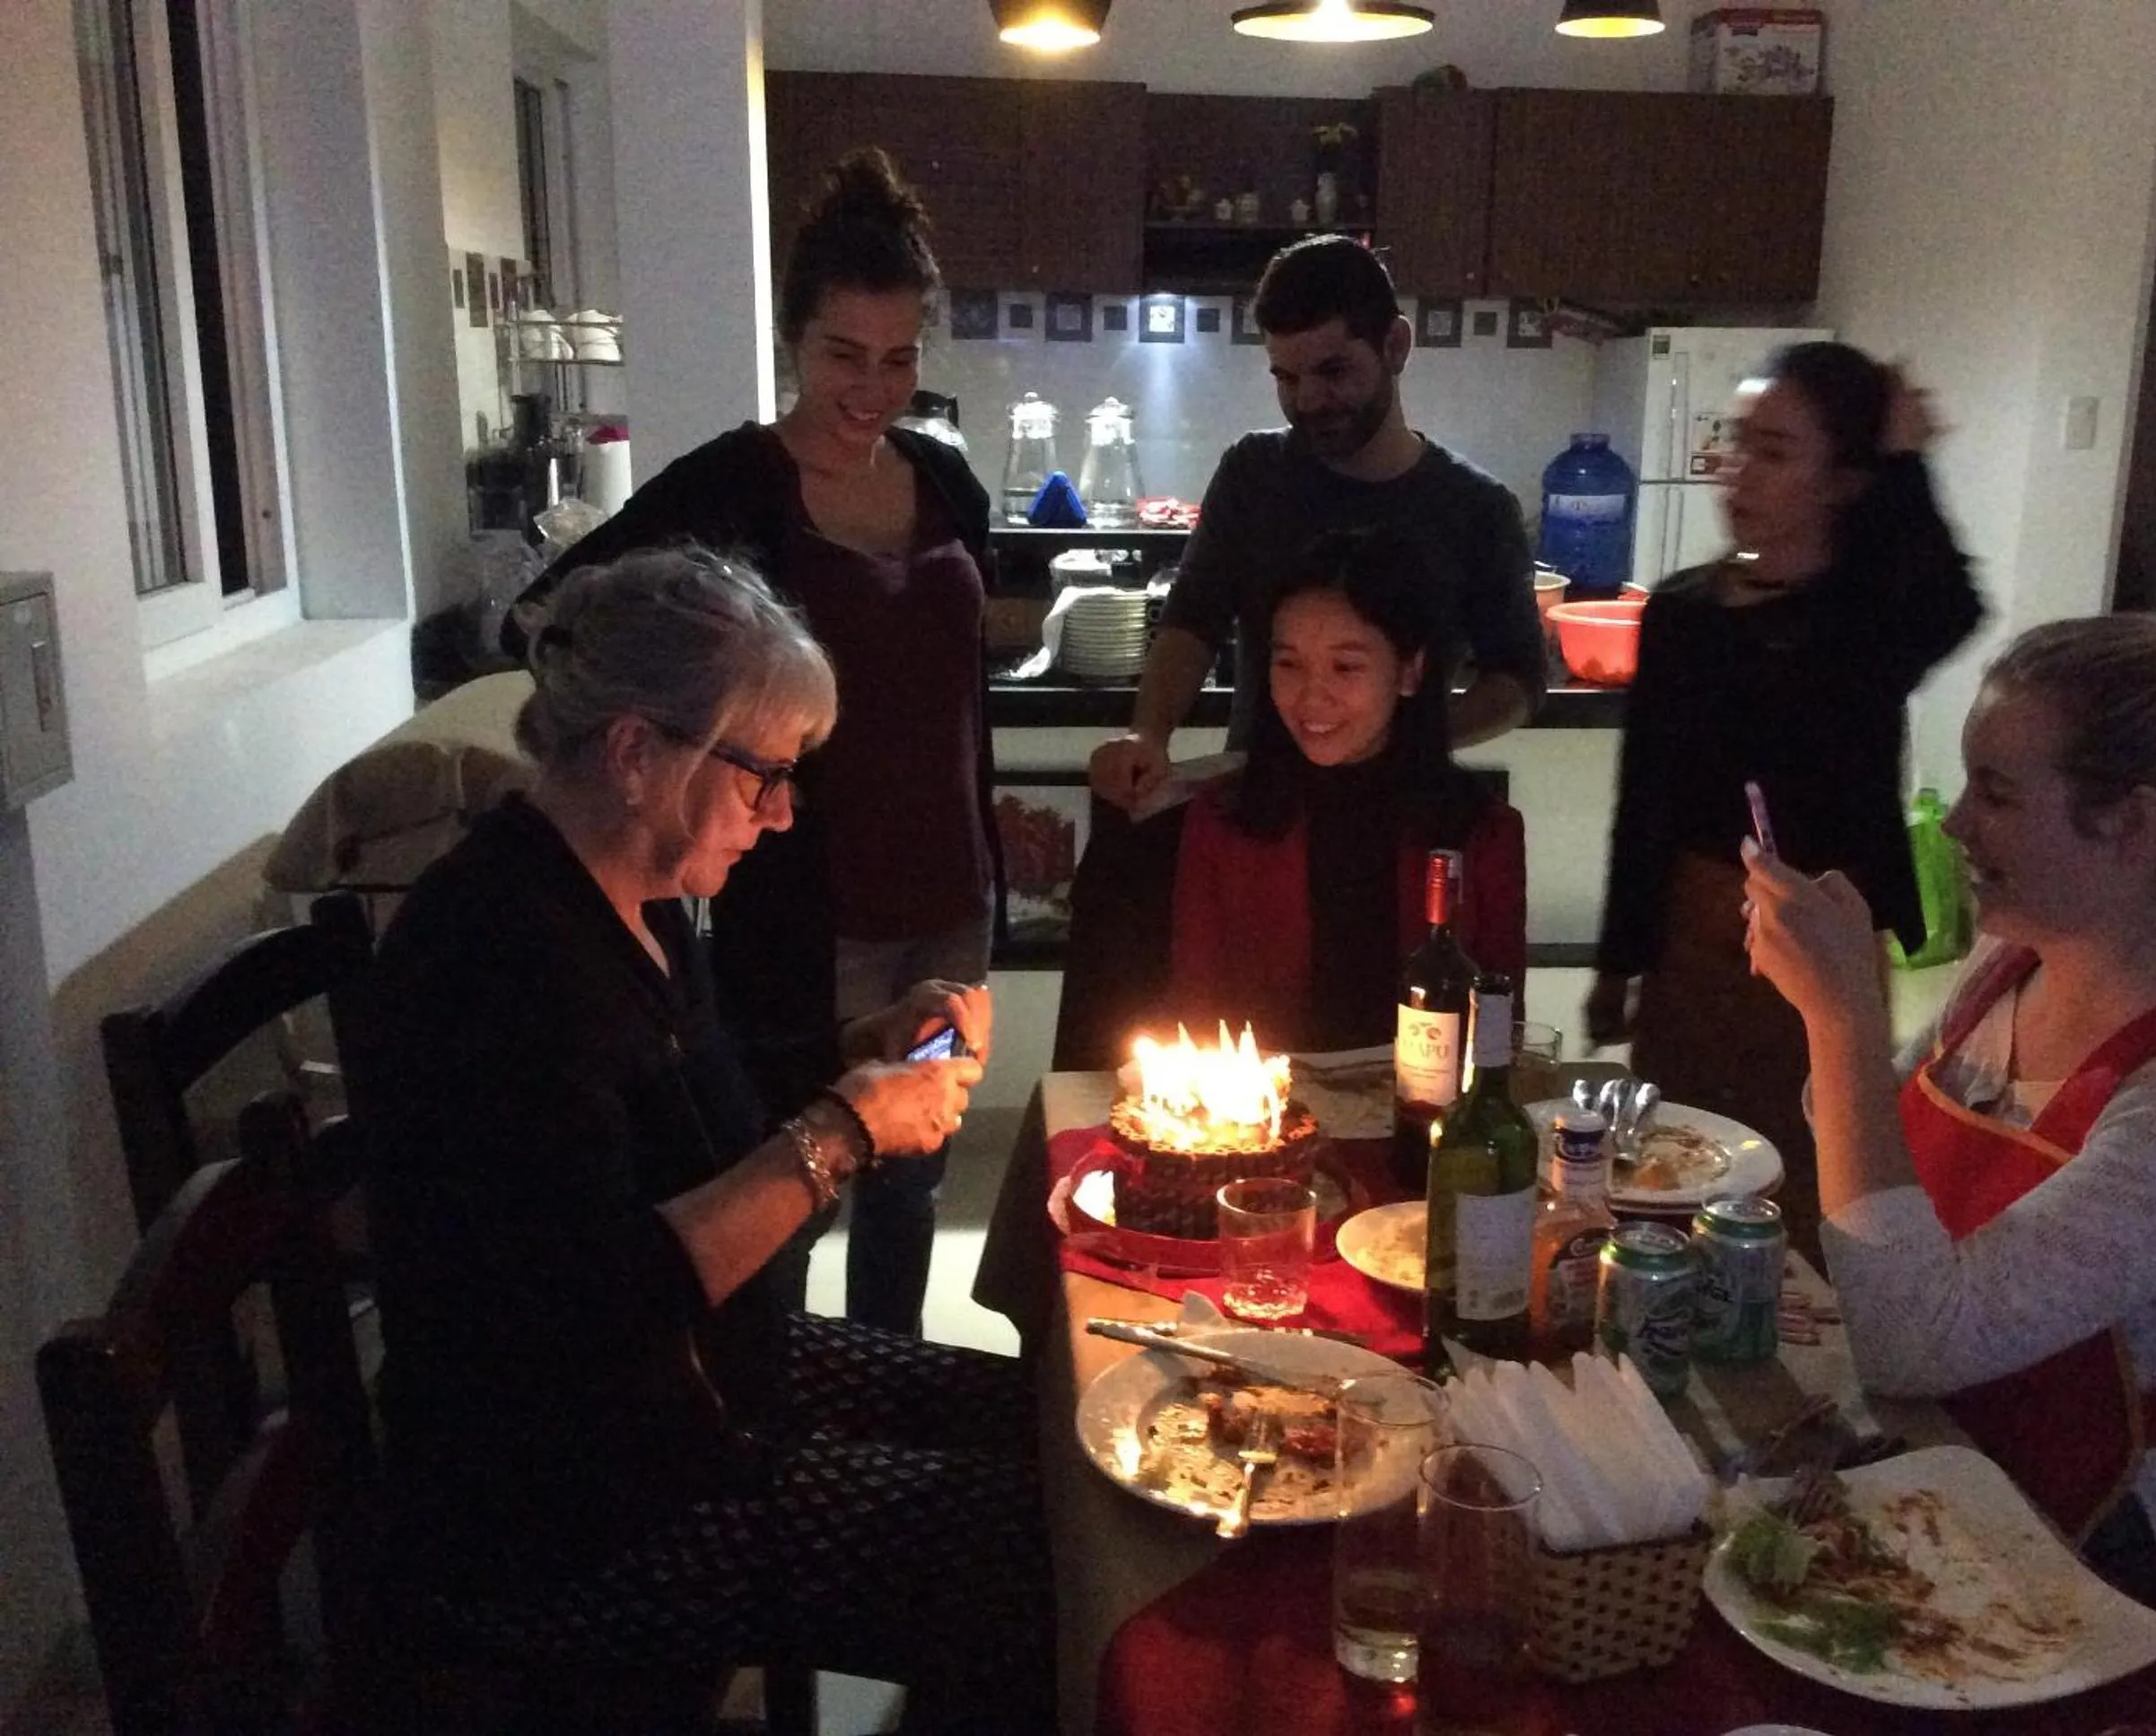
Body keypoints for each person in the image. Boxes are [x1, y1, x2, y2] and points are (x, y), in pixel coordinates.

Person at [359, 547, 1052, 1732]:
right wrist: (841, 1132)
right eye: (763, 774)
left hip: (700, 1387)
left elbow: (688, 1095)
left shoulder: (626, 893)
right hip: (571, 1513)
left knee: (1037, 1417)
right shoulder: (493, 960)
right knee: (1026, 1556)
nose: (782, 812)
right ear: (636, 752)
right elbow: (600, 1303)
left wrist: (858, 1044)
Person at [502, 148, 996, 1338]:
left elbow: (956, 685)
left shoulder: (946, 482)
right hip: (806, 901)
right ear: (792, 342)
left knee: (914, 1172)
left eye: (899, 359)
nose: (872, 388)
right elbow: (548, 617)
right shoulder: (732, 484)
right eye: (843, 354)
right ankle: (764, 1377)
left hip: (949, 891)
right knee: (795, 1163)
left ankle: (883, 1368)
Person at [1741, 615, 2156, 1619]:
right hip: (1916, 1465)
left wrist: (1842, 1021)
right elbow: (1881, 1151)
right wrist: (1833, 1011)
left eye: (1997, 793)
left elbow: (1916, 1337)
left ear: (2130, 825)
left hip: (2060, 1559)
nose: (1957, 825)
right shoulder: (2013, 966)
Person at [1588, 342, 1984, 1256]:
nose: (1738, 471)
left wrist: (1904, 462)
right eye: (1738, 444)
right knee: (1674, 1158)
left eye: (1773, 451)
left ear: (1842, 481)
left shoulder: (1865, 618)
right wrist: (1619, 962)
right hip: (1696, 932)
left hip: (1826, 926)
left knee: (1813, 1160)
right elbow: (1644, 799)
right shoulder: (1682, 611)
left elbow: (1953, 604)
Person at [1087, 234, 1545, 814]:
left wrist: (1400, 743)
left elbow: (1518, 681)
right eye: (1287, 378)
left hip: (1402, 816)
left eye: (1333, 371)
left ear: (1395, 346)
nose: (1307, 401)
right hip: (1260, 813)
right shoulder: (1253, 473)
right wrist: (1149, 734)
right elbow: (1192, 622)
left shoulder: (1477, 508)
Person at [1062, 528, 1525, 1064]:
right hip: (1257, 1109)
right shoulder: (1223, 819)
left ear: (1409, 671)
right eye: (1288, 664)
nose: (1311, 696)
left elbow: (1497, 1042)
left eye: (1345, 667)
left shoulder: (1481, 831)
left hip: (1426, 1112)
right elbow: (1200, 1020)